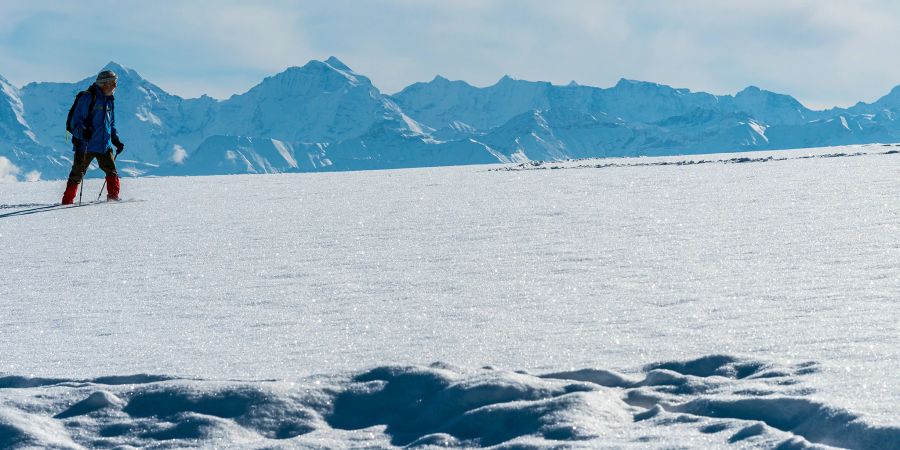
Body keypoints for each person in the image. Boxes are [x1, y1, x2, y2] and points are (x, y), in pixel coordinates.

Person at [60, 70, 125, 204]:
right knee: (77, 174)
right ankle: (67, 202)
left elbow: (111, 123)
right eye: (113, 82)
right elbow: (75, 123)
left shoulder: (109, 100)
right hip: (86, 145)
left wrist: (115, 139)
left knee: (112, 172)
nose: (115, 86)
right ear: (104, 83)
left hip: (104, 145)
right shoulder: (87, 98)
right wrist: (83, 133)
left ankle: (113, 200)